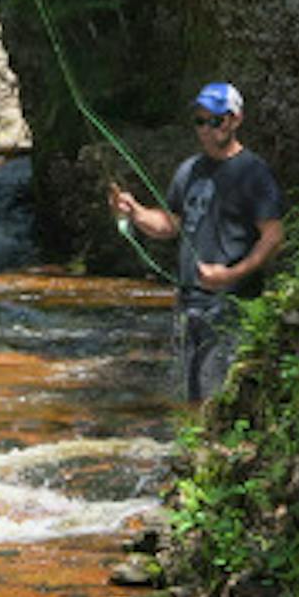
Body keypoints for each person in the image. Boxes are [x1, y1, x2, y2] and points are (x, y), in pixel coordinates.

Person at [105, 81, 285, 402]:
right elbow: (169, 225)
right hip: (189, 303)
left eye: (214, 120)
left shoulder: (253, 173)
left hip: (233, 303)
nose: (205, 129)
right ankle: (196, 450)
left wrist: (232, 275)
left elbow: (273, 236)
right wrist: (134, 211)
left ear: (235, 120)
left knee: (216, 395)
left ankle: (214, 449)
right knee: (192, 395)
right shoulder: (188, 170)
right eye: (200, 121)